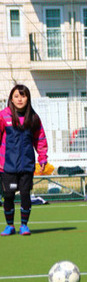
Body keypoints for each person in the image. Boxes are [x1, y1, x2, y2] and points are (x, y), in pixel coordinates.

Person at [0, 84, 48, 236]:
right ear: (11, 99)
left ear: (28, 98)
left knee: (25, 194)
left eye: (23, 96)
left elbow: (40, 139)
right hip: (8, 166)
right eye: (16, 96)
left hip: (26, 166)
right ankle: (9, 226)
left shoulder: (33, 118)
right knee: (9, 195)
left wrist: (42, 157)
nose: (20, 99)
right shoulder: (3, 116)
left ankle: (24, 225)